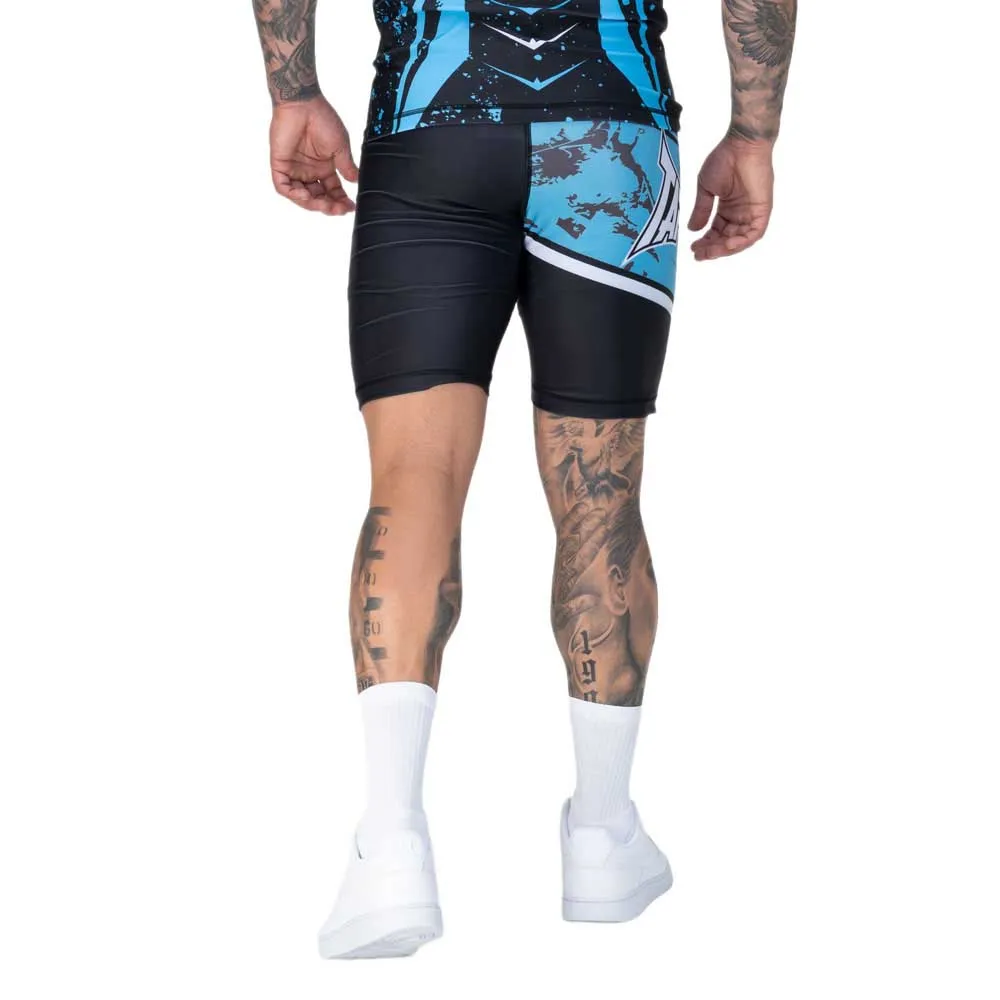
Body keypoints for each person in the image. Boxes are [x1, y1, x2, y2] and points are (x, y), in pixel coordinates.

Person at [253, 0, 796, 959]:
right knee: (601, 496)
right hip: (613, 135)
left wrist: (293, 90)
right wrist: (753, 132)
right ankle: (603, 834)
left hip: (431, 125)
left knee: (412, 480)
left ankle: (392, 844)